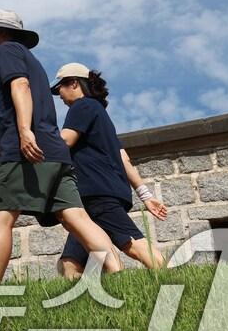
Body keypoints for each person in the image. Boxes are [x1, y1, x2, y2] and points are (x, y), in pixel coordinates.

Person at [0, 10, 122, 283]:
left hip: (25, 153)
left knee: (0, 219)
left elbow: (20, 87)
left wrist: (24, 132)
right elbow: (35, 114)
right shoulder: (32, 61)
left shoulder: (8, 51)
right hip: (55, 154)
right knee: (76, 217)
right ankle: (118, 274)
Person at [51, 62, 169, 278]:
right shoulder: (101, 116)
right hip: (94, 197)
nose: (58, 92)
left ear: (74, 83)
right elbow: (123, 158)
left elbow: (65, 140)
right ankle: (84, 303)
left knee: (131, 243)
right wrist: (146, 195)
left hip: (96, 193)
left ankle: (168, 278)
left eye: (60, 86)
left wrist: (31, 139)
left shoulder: (83, 106)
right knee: (70, 261)